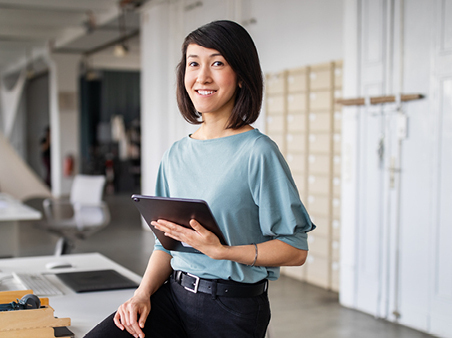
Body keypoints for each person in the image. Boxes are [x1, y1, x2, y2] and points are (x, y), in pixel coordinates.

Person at [84, 20, 315, 338]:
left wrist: (223, 251)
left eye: (217, 63)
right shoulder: (176, 154)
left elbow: (295, 249)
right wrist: (142, 294)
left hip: (232, 310)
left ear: (242, 77)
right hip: (174, 296)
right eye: (194, 64)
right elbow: (165, 243)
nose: (202, 76)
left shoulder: (257, 152)